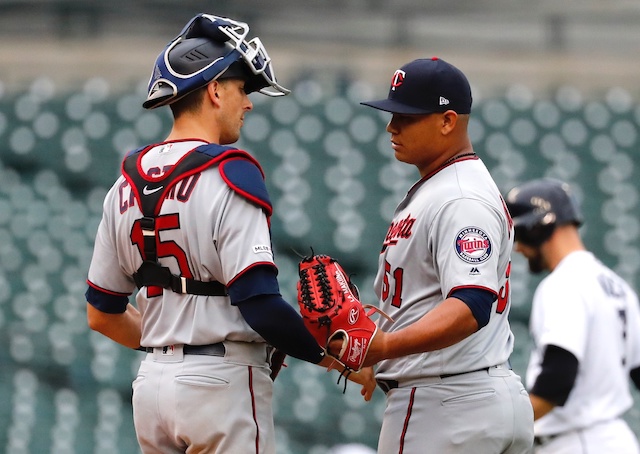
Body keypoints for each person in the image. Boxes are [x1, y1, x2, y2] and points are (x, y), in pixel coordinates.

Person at [85, 13, 374, 454]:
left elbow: (102, 314)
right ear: (215, 90)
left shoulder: (123, 183)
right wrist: (336, 359)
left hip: (151, 388)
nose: (249, 102)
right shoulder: (231, 172)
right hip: (221, 386)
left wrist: (171, 346)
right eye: (243, 88)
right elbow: (258, 303)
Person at [356, 57, 534, 453]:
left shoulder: (460, 196)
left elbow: (470, 306)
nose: (392, 126)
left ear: (448, 121)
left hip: (444, 408)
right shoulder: (447, 187)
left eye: (407, 116)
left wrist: (385, 347)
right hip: (475, 398)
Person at [505, 177, 640, 453]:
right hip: (616, 440)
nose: (517, 248)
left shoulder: (564, 283)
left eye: (518, 235)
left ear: (536, 227)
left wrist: (495, 428)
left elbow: (556, 382)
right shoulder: (617, 285)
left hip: (579, 442)